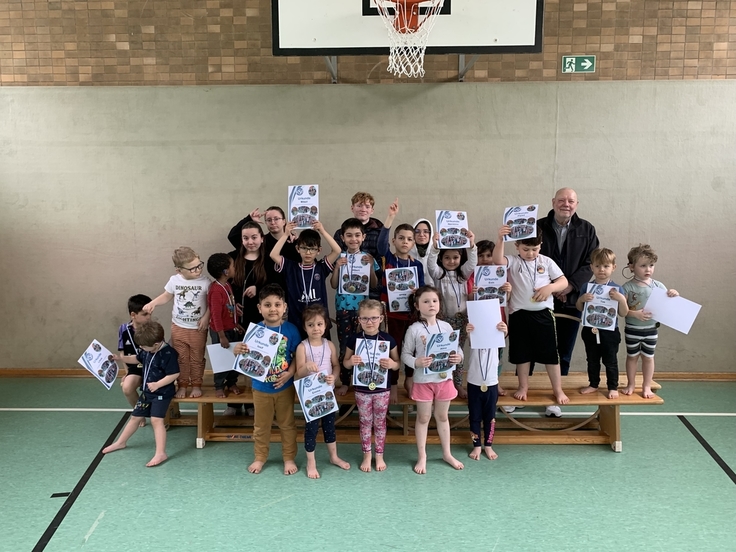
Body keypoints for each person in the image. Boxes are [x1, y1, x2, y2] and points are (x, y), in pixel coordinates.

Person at [491, 226, 570, 410]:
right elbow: (497, 260)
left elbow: (563, 281)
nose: (530, 253)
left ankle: (557, 389)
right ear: (517, 245)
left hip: (543, 315)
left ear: (540, 246)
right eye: (525, 249)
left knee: (551, 354)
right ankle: (523, 386)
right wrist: (501, 239)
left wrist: (549, 288)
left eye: (534, 249)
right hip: (519, 314)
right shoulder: (513, 261)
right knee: (522, 354)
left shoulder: (546, 261)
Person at [233, 284, 301, 475]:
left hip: (284, 387)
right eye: (268, 305)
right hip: (260, 388)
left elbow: (297, 356)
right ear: (259, 308)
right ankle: (260, 457)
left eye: (277, 304)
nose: (273, 309)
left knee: (287, 425)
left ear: (285, 307)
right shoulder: (253, 331)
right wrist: (236, 350)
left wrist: (290, 373)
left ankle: (288, 458)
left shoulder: (291, 330)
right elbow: (244, 355)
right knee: (261, 426)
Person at [402, 286, 465, 474]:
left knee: (442, 416)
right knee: (423, 418)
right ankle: (422, 456)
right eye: (426, 301)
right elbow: (405, 354)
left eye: (435, 301)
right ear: (417, 305)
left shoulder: (446, 327)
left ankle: (447, 453)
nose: (431, 304)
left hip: (444, 380)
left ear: (439, 304)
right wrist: (417, 362)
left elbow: (457, 349)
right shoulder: (413, 329)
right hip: (423, 381)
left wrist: (458, 358)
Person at [535, 188, 600, 371]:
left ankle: (557, 393)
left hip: (572, 299)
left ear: (576, 205)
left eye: (571, 201)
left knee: (564, 352)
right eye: (562, 200)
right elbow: (529, 259)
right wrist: (553, 287)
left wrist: (570, 286)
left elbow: (591, 263)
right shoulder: (537, 227)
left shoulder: (587, 229)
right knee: (531, 348)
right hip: (540, 297)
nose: (566, 204)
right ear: (553, 202)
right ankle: (525, 392)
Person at [103, 321, 180, 467]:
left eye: (144, 347)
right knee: (134, 417)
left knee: (156, 421)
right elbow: (136, 358)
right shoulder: (146, 350)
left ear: (157, 344)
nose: (142, 349)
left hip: (161, 393)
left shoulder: (168, 353)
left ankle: (160, 453)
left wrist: (158, 384)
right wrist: (121, 358)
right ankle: (121, 442)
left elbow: (174, 373)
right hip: (147, 392)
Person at [143, 247, 210, 399]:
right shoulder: (174, 280)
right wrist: (153, 303)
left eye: (199, 265)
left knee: (196, 358)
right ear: (179, 270)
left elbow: (211, 303)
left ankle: (196, 385)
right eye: (192, 268)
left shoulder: (205, 282)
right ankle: (182, 385)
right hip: (178, 327)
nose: (197, 270)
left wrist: (206, 317)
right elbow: (167, 296)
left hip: (197, 328)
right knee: (181, 358)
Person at [344, 299, 400, 472]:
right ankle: (367, 455)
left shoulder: (388, 339)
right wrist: (351, 362)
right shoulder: (354, 339)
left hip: (382, 389)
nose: (369, 322)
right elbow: (345, 363)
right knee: (365, 422)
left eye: (374, 318)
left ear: (381, 319)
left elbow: (397, 364)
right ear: (359, 320)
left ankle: (380, 455)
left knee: (380, 422)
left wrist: (391, 364)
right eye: (365, 319)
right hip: (361, 389)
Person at [377, 199, 425, 401]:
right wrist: (390, 218)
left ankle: (410, 379)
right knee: (393, 347)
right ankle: (394, 382)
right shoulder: (387, 258)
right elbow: (380, 245)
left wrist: (417, 291)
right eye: (401, 238)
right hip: (390, 314)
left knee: (411, 348)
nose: (405, 242)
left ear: (413, 243)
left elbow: (422, 291)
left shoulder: (417, 266)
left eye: (409, 239)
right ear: (394, 241)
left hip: (411, 315)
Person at [295, 304, 350, 479]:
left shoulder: (330, 345)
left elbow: (336, 366)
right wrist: (306, 368)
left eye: (319, 324)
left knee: (329, 426)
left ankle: (334, 457)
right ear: (304, 327)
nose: (315, 328)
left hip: (328, 393)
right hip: (310, 396)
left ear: (325, 325)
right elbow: (297, 374)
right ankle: (311, 462)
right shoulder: (302, 347)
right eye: (311, 325)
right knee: (311, 429)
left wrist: (334, 377)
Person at [621, 244, 678, 399]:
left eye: (651, 265)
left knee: (648, 357)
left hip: (651, 329)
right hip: (633, 329)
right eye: (643, 265)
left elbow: (668, 304)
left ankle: (647, 385)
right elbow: (622, 311)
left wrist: (673, 293)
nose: (648, 269)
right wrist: (635, 314)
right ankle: (631, 383)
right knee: (632, 357)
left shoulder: (658, 286)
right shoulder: (627, 287)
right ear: (631, 267)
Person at [330, 217, 379, 394]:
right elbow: (334, 285)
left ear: (363, 237)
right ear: (342, 238)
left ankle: (361, 381)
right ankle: (345, 381)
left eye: (357, 235)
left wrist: (371, 267)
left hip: (363, 311)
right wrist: (336, 268)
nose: (353, 239)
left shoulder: (368, 257)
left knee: (364, 346)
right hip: (343, 309)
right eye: (349, 235)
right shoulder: (339, 257)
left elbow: (373, 285)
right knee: (345, 346)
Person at [426, 229, 477, 399]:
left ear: (461, 258)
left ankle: (457, 384)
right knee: (442, 352)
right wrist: (434, 248)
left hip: (461, 320)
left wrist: (471, 245)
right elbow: (431, 264)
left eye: (455, 257)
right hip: (444, 321)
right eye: (447, 257)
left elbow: (472, 262)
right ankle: (441, 383)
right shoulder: (439, 275)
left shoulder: (463, 275)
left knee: (458, 353)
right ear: (442, 258)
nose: (451, 261)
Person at [575, 248, 629, 399]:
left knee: (610, 360)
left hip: (610, 332)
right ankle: (593, 384)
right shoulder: (587, 287)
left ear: (614, 267)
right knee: (592, 359)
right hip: (590, 330)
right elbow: (579, 308)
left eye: (606, 266)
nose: (601, 270)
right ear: (591, 267)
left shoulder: (618, 289)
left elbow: (623, 313)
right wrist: (581, 299)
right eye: (598, 266)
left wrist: (621, 299)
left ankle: (612, 386)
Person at [271, 220, 342, 334]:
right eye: (304, 248)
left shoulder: (321, 267)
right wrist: (285, 234)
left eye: (312, 249)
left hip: (319, 324)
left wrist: (322, 231)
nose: (308, 252)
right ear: (297, 249)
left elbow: (337, 250)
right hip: (297, 323)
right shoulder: (291, 267)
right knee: (298, 351)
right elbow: (273, 255)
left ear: (319, 250)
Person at [466, 239, 512, 397]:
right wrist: (473, 292)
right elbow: (469, 300)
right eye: (481, 255)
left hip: (498, 321)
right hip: (478, 322)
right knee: (478, 355)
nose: (485, 259)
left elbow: (509, 299)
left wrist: (508, 290)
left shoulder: (501, 274)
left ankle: (495, 382)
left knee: (497, 356)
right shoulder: (472, 275)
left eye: (489, 255)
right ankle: (476, 381)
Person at [465, 319, 508, 461]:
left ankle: (488, 445)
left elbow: (503, 338)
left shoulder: (496, 341)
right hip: (474, 383)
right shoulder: (475, 339)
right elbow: (471, 339)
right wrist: (470, 332)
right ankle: (476, 444)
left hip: (491, 383)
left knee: (490, 417)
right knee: (475, 416)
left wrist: (504, 330)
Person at [333, 192, 385, 300]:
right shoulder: (340, 233)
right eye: (359, 205)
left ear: (372, 210)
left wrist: (371, 266)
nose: (363, 209)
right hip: (347, 293)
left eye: (367, 206)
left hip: (372, 291)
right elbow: (335, 261)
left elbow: (383, 259)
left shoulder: (380, 232)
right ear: (352, 208)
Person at [206, 253, 244, 400]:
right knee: (221, 360)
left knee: (234, 358)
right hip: (220, 332)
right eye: (233, 265)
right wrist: (221, 335)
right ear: (226, 272)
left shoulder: (227, 285)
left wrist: (236, 324)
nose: (235, 268)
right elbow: (215, 315)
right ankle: (219, 386)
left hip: (231, 328)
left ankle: (231, 382)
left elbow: (229, 307)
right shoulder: (216, 290)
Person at [230, 220, 278, 329]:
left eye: (254, 237)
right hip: (239, 320)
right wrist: (233, 303)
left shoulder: (270, 260)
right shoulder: (233, 258)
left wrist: (259, 289)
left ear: (262, 238)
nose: (250, 242)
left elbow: (278, 284)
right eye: (246, 238)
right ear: (241, 240)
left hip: (263, 318)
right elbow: (227, 284)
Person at [114, 294, 152, 422]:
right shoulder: (123, 329)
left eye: (149, 314)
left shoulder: (153, 328)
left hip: (151, 367)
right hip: (134, 368)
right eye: (144, 314)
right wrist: (127, 372)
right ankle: (139, 413)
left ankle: (165, 414)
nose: (149, 317)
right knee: (126, 387)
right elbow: (122, 353)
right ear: (133, 315)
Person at [409, 218, 434, 287]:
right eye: (417, 231)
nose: (421, 234)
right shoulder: (407, 254)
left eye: (426, 231)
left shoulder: (436, 254)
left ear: (430, 234)